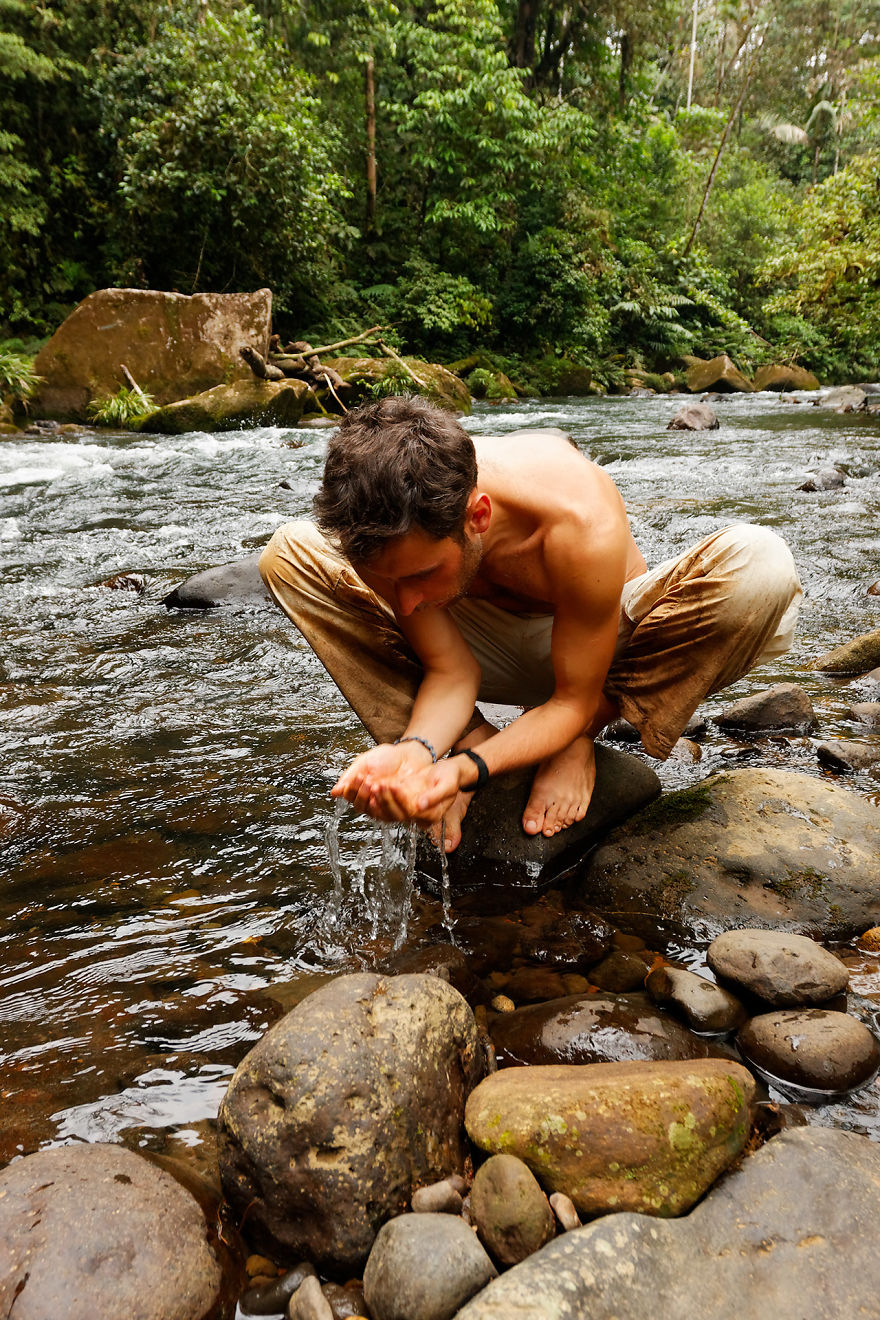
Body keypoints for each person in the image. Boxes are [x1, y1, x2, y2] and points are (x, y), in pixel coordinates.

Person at [259, 395, 801, 851]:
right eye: (389, 581)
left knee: (761, 566)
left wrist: (479, 766)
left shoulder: (576, 518)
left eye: (421, 574)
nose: (404, 606)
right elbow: (449, 671)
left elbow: (570, 699)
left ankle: (579, 740)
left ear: (479, 516)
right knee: (289, 552)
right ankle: (474, 736)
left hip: (602, 652)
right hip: (482, 645)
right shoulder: (394, 537)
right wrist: (421, 753)